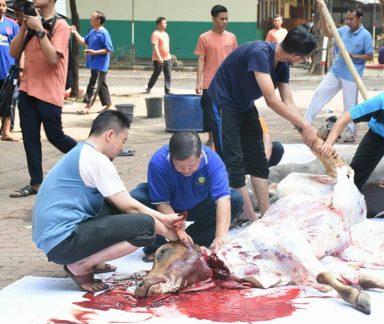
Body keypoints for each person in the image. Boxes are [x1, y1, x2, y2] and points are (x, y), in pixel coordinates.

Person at [32, 111, 184, 292]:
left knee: (115, 207)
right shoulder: (96, 159)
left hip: (55, 240)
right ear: (110, 135)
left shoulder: (83, 152)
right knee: (145, 225)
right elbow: (130, 206)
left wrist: (165, 220)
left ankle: (95, 261)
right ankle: (81, 264)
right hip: (62, 243)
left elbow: (121, 203)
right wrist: (169, 232)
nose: (122, 147)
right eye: (123, 140)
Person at [207, 26, 319, 223]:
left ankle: (266, 216)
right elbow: (271, 99)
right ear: (296, 55)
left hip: (245, 105)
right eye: (305, 57)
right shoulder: (260, 53)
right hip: (223, 104)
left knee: (258, 160)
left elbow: (288, 101)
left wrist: (305, 128)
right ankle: (252, 219)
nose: (305, 61)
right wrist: (304, 126)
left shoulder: (282, 64)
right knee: (235, 163)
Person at [130, 131, 243, 261]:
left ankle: (191, 240)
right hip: (167, 209)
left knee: (235, 199)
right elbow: (161, 202)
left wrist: (220, 237)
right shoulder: (159, 162)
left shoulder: (212, 160)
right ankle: (157, 246)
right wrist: (178, 229)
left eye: (191, 166)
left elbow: (223, 199)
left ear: (200, 155)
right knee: (135, 199)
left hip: (199, 204)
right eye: (180, 166)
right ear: (171, 157)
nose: (186, 171)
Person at [9, 0, 77, 198]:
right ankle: (36, 182)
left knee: (55, 136)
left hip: (49, 92)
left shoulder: (61, 25)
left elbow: (53, 58)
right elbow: (14, 52)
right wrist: (24, 27)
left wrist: (40, 30)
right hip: (27, 89)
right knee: (30, 138)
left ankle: (92, 157)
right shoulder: (29, 23)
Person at [304, 6, 373, 143]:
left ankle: (350, 133)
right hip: (336, 72)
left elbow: (370, 56)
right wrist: (323, 15)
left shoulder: (366, 35)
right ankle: (305, 123)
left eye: (351, 19)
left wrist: (355, 57)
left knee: (350, 106)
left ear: (359, 18)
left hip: (352, 76)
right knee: (319, 94)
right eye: (346, 18)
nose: (348, 21)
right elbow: (328, 33)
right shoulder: (343, 30)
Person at [195, 5, 237, 146]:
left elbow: (235, 60)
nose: (224, 21)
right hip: (209, 83)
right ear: (213, 19)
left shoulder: (231, 37)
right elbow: (201, 59)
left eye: (226, 19)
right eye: (221, 19)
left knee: (226, 114)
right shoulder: (204, 38)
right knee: (211, 115)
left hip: (228, 83)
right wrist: (199, 81)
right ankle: (212, 137)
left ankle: (225, 140)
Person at [70, 11, 113, 114]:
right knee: (101, 84)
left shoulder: (104, 33)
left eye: (92, 17)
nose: (90, 19)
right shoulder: (93, 31)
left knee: (93, 84)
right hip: (94, 64)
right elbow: (83, 41)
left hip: (101, 64)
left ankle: (88, 106)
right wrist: (75, 32)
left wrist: (94, 52)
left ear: (98, 20)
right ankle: (108, 105)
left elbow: (108, 49)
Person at [0, 0, 19, 141]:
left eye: (3, 5)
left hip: (7, 72)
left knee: (7, 102)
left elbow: (19, 48)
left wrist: (21, 69)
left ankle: (6, 132)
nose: (1, 8)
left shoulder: (12, 25)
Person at [145, 17, 171, 94]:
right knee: (156, 73)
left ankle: (167, 90)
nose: (166, 25)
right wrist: (159, 58)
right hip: (158, 58)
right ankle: (149, 87)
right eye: (164, 23)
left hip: (167, 57)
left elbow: (166, 46)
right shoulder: (155, 34)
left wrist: (169, 54)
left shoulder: (166, 34)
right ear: (159, 24)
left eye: (166, 23)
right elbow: (155, 46)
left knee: (168, 74)